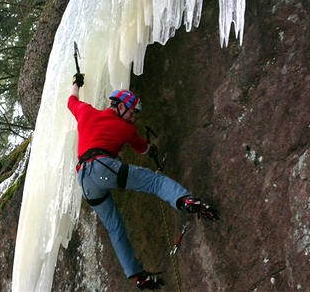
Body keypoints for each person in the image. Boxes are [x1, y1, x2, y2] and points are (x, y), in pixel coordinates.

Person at [68, 72, 219, 290]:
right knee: (154, 182)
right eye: (132, 112)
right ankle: (185, 200)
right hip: (103, 167)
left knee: (115, 228)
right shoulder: (127, 129)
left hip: (85, 181)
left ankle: (137, 275)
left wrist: (76, 83)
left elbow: (71, 100)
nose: (133, 118)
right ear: (120, 107)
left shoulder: (86, 112)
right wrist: (152, 149)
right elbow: (141, 147)